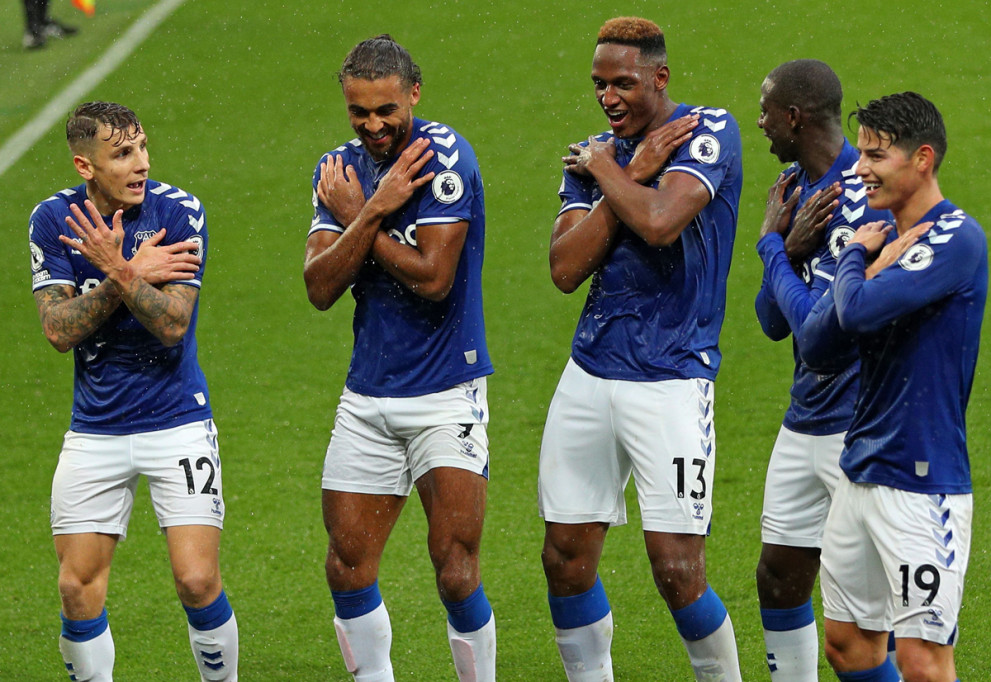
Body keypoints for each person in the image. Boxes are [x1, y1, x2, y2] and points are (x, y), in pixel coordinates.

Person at [538, 16, 743, 681]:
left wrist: (613, 172)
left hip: (673, 378)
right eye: (599, 84)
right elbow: (565, 268)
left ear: (660, 77)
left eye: (623, 83)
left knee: (678, 571)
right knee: (564, 557)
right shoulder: (594, 153)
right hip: (591, 372)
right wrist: (616, 168)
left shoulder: (710, 132)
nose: (608, 98)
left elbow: (659, 223)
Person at [304, 34, 495, 682]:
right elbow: (320, 287)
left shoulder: (445, 159)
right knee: (346, 565)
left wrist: (362, 215)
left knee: (455, 569)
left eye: (386, 109)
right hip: (369, 397)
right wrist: (369, 214)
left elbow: (434, 276)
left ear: (413, 93)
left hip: (447, 393)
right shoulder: (338, 169)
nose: (374, 125)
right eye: (360, 112)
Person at [29, 101, 238, 681]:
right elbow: (57, 330)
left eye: (143, 146)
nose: (141, 163)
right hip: (95, 428)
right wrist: (131, 272)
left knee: (197, 580)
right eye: (122, 154)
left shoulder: (178, 212)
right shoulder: (53, 221)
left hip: (176, 419)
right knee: (76, 588)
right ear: (84, 165)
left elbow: (172, 325)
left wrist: (116, 268)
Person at [796, 92, 986, 682]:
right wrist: (867, 266)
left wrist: (854, 258)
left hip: (921, 482)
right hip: (861, 469)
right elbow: (816, 342)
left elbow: (853, 315)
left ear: (922, 159)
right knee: (848, 644)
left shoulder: (956, 238)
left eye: (875, 155)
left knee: (925, 661)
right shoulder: (883, 235)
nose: (858, 168)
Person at [753, 60, 892, 681]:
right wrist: (785, 252)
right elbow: (771, 320)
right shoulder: (791, 186)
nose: (758, 122)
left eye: (765, 110)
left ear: (793, 116)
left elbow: (821, 340)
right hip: (803, 420)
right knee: (779, 580)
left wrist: (772, 249)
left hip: (856, 429)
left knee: (861, 625)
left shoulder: (857, 197)